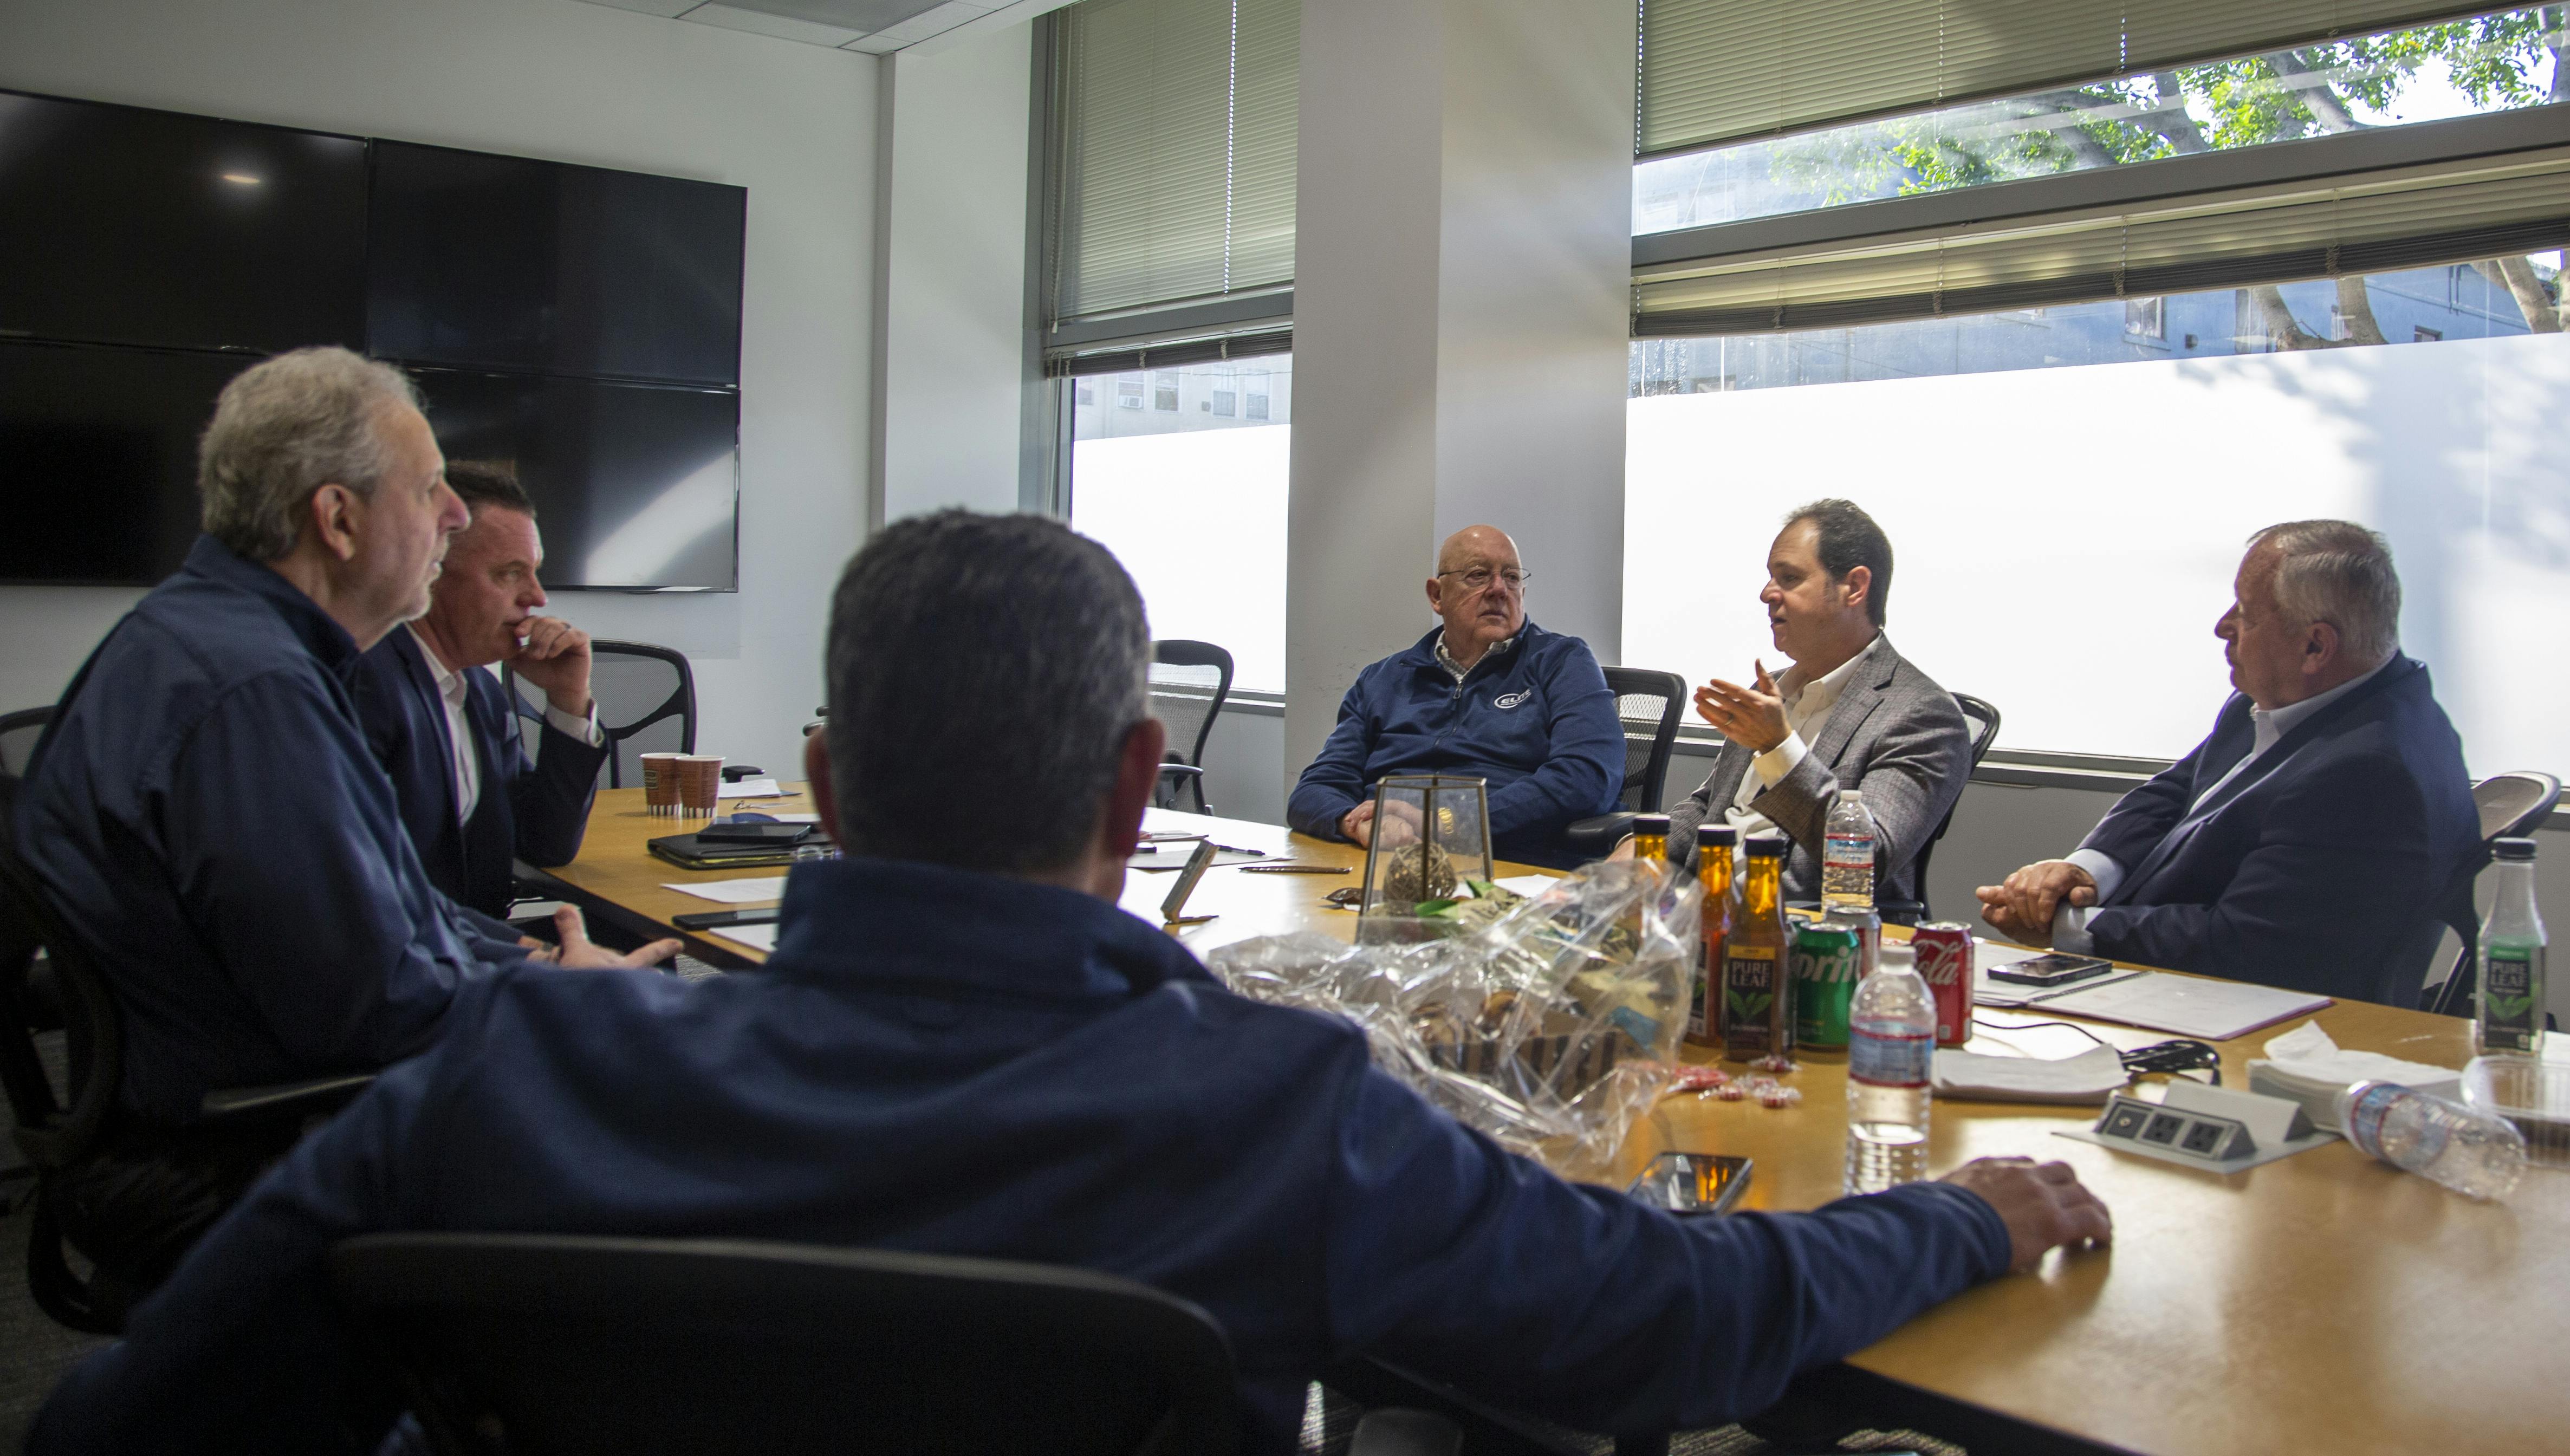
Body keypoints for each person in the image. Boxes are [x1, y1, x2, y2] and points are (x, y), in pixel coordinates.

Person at [31, 510, 2110, 1456]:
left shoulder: (513, 1067)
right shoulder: (1281, 1114)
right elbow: (1667, 1324)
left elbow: (129, 1429)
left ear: (824, 775)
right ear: (1138, 786)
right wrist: (1960, 1207)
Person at [12, 347, 674, 1312]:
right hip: (234, 1156)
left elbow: (392, 913)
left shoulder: (209, 642)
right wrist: (558, 997)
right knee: (663, 1159)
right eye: (430, 487)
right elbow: (375, 1005)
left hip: (223, 1116)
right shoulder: (252, 693)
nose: (454, 516)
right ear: (338, 518)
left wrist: (529, 960)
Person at [1976, 521, 2477, 1005]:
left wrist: (2065, 926)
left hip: (2248, 1013)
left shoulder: (2369, 772)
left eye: (2247, 614)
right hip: (2170, 974)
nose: (2222, 627)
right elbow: (2174, 792)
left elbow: (2246, 946)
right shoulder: (2282, 702)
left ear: (2315, 646)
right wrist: (2083, 872)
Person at [1651, 500, 1970, 910]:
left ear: (1854, 587)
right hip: (1698, 912)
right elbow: (1708, 808)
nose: (1767, 594)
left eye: (1789, 578)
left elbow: (1866, 858)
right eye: (1771, 577)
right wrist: (1639, 853)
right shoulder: (1770, 690)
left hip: (1800, 929)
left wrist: (1778, 749)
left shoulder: (1922, 716)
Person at [348, 460, 608, 928]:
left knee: (627, 942)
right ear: (431, 572)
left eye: (534, 572)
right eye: (510, 573)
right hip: (415, 950)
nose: (537, 598)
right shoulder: (366, 681)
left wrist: (569, 700)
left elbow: (545, 844)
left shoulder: (482, 694)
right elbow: (368, 892)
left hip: (474, 940)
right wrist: (526, 954)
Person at [1287, 525, 1624, 869]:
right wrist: (1357, 824)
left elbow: (1587, 776)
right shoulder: (1383, 679)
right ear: (1437, 596)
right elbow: (1315, 789)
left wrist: (1445, 823)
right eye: (1478, 575)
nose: (1499, 589)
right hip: (1382, 862)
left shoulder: (1562, 662)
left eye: (1511, 577)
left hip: (1509, 860)